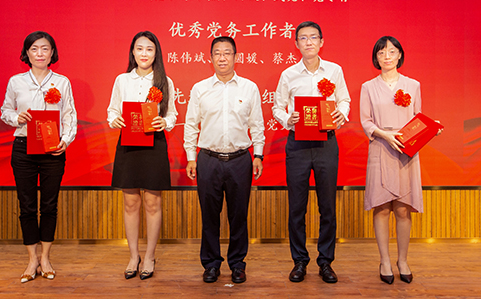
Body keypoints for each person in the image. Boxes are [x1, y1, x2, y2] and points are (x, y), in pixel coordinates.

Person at [272, 21, 350, 283]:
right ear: (296, 44)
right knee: (297, 206)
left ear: (321, 42)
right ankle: (299, 261)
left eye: (313, 37)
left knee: (327, 206)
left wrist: (341, 113)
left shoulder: (335, 70)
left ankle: (326, 261)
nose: (308, 42)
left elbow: (344, 100)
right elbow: (277, 107)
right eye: (303, 38)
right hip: (298, 144)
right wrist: (288, 118)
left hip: (326, 143)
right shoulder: (288, 74)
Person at [184, 36, 265, 284]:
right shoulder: (200, 89)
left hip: (240, 159)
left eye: (227, 53)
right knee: (210, 216)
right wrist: (191, 158)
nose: (222, 58)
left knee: (238, 215)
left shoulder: (249, 88)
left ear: (236, 57)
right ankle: (211, 264)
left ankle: (238, 264)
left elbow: (257, 124)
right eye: (217, 53)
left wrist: (258, 154)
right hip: (208, 159)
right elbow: (191, 125)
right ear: (210, 58)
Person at [360, 36, 441, 284]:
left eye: (392, 51)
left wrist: (432, 128)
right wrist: (385, 134)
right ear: (376, 58)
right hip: (381, 147)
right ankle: (384, 260)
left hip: (406, 150)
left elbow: (418, 118)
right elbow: (366, 121)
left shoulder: (413, 85)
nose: (387, 56)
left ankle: (403, 260)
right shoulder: (368, 87)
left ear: (399, 55)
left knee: (403, 208)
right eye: (381, 52)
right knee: (382, 207)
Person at [1, 31, 77, 283]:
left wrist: (65, 140)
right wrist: (16, 118)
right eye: (34, 49)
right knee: (27, 205)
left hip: (52, 148)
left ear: (52, 52)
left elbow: (69, 115)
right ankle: (31, 258)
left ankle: (45, 257)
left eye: (45, 48)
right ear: (27, 53)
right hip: (23, 147)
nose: (40, 53)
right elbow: (5, 111)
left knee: (49, 205)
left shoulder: (62, 82)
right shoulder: (16, 81)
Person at [107, 31, 177, 280]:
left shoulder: (164, 81)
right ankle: (133, 256)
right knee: (130, 203)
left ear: (156, 53)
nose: (144, 54)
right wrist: (115, 120)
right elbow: (112, 110)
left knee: (152, 203)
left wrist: (164, 122)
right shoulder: (122, 80)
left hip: (154, 143)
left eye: (149, 49)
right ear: (133, 52)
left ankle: (149, 256)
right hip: (128, 144)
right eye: (139, 49)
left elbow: (172, 114)